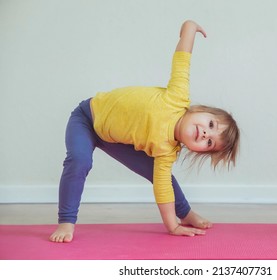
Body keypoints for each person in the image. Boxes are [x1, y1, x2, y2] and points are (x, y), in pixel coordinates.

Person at [49, 20, 240, 243]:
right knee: (79, 161)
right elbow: (182, 61)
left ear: (196, 150)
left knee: (163, 177)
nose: (207, 135)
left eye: (210, 143)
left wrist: (172, 227)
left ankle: (185, 214)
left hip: (113, 138)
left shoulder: (166, 152)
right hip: (86, 118)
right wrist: (189, 28)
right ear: (199, 110)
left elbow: (162, 189)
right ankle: (66, 221)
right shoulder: (177, 96)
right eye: (211, 125)